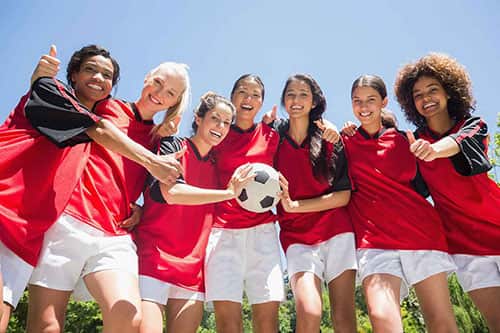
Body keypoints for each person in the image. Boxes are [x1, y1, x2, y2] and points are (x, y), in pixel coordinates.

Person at [0, 45, 184, 332]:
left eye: (171, 92)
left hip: (113, 233)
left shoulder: (161, 142)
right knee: (46, 323)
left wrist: (140, 208)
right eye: (158, 81)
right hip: (63, 219)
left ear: (176, 102)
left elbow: (161, 192)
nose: (161, 92)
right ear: (147, 77)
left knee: (128, 315)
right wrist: (39, 79)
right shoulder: (102, 105)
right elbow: (78, 119)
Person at [343, 74, 458, 332]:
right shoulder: (344, 142)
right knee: (382, 318)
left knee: (440, 322)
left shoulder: (407, 140)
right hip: (374, 242)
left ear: (383, 102)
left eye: (371, 100)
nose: (364, 106)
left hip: (421, 235)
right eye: (357, 101)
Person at [394, 52, 500, 332]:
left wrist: (432, 151)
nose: (426, 98)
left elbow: (457, 142)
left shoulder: (473, 125)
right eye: (418, 94)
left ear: (449, 93)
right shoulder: (413, 141)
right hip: (465, 247)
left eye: (433, 90)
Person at [135, 92, 257, 333]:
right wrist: (228, 193)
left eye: (226, 122)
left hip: (192, 271)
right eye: (215, 118)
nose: (220, 127)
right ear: (198, 119)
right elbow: (172, 192)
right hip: (153, 260)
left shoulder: (218, 165)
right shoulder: (172, 146)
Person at [275, 74, 357, 332]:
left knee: (343, 317)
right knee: (309, 311)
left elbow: (343, 196)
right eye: (290, 94)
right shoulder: (273, 136)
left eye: (303, 94)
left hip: (337, 232)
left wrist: (296, 206)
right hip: (297, 237)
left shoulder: (331, 140)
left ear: (314, 102)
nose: (296, 100)